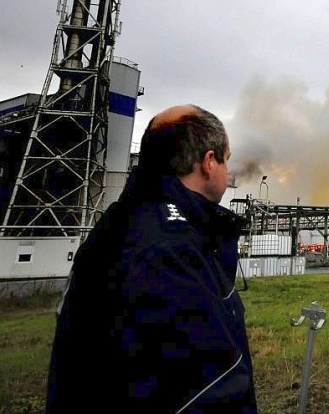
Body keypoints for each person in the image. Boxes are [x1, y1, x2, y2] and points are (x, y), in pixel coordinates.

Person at [46, 105, 257, 413]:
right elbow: (208, 390)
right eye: (226, 159)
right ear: (209, 163)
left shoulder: (121, 222)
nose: (227, 170)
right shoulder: (170, 250)